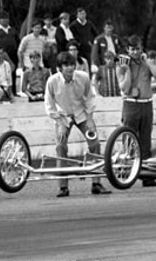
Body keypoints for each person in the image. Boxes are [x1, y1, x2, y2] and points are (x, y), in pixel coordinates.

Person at [44, 52, 111, 197]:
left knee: (95, 143)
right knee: (60, 146)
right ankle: (63, 186)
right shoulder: (52, 81)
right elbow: (49, 107)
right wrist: (59, 122)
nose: (69, 68)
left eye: (71, 65)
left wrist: (90, 118)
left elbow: (90, 98)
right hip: (63, 117)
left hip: (81, 114)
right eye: (66, 65)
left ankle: (97, 183)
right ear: (59, 68)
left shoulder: (83, 77)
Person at [116, 34, 156, 160]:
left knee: (145, 138)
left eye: (137, 49)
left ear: (141, 49)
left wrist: (147, 61)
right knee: (129, 136)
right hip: (131, 103)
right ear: (128, 50)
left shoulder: (146, 64)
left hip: (146, 103)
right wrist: (127, 70)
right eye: (132, 49)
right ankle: (128, 166)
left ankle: (147, 170)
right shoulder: (122, 65)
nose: (135, 52)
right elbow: (124, 88)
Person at [0, 11, 19, 95]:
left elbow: (17, 40)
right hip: (1, 54)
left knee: (12, 72)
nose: (5, 21)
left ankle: (13, 91)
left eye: (7, 19)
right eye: (3, 19)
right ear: (0, 20)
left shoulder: (12, 29)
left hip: (13, 54)